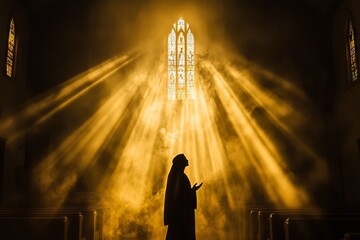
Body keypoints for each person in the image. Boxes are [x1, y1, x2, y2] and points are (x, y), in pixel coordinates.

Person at [164, 154, 203, 240]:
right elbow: (178, 196)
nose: (187, 160)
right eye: (185, 159)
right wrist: (191, 192)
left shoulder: (180, 176)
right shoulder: (178, 176)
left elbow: (183, 194)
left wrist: (192, 191)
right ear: (180, 162)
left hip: (183, 214)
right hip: (180, 215)